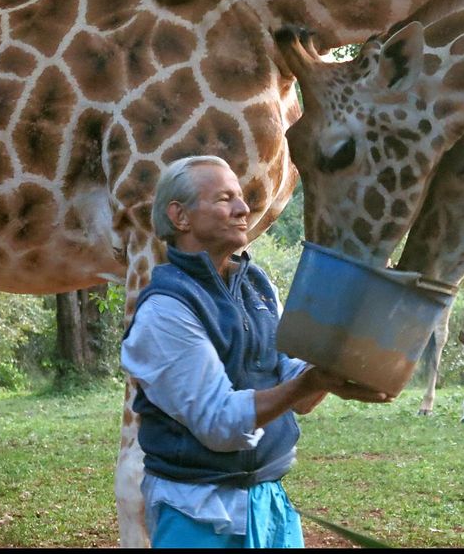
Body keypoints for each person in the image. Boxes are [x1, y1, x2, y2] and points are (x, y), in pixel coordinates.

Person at [121, 155, 388, 547]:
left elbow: (294, 382)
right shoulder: (166, 310)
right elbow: (219, 422)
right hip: (196, 511)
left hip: (268, 500)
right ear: (181, 217)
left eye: (241, 197)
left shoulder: (256, 286)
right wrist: (309, 382)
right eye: (224, 199)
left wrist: (338, 362)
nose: (244, 208)